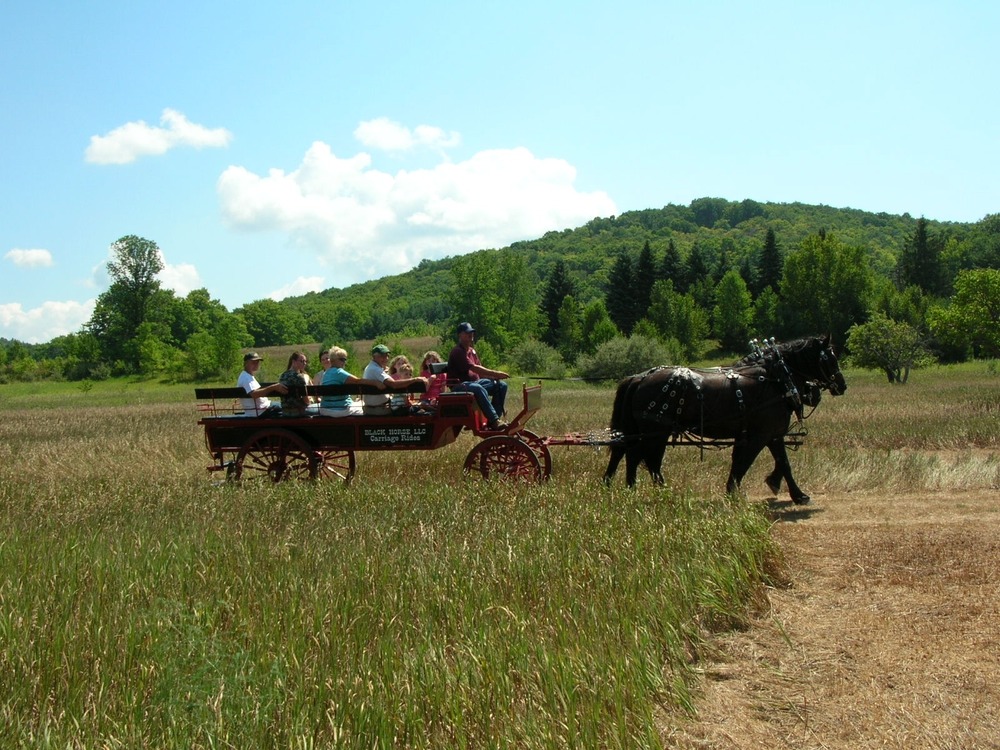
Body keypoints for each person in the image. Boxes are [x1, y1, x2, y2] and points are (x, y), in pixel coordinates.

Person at [446, 322, 509, 430]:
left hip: (474, 384)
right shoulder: (457, 351)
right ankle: (494, 420)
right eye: (467, 333)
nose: (471, 335)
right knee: (478, 388)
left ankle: (493, 421)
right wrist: (496, 373)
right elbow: (474, 368)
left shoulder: (471, 351)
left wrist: (494, 378)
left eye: (472, 332)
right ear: (460, 335)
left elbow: (480, 369)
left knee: (501, 385)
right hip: (459, 386)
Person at [362, 344, 427, 415]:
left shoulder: (371, 367)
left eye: (387, 356)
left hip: (378, 406)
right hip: (378, 408)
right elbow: (394, 385)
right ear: (374, 357)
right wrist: (415, 379)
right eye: (382, 356)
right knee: (420, 409)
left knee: (418, 407)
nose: (386, 358)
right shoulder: (375, 369)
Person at [318, 346, 381, 417]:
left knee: (359, 403)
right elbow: (357, 381)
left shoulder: (326, 373)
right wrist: (376, 383)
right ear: (334, 360)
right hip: (340, 410)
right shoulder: (339, 372)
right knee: (366, 406)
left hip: (325, 409)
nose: (345, 362)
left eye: (345, 359)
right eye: (342, 359)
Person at [236, 352, 287, 416]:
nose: (256, 364)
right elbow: (254, 394)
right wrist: (273, 387)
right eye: (253, 362)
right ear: (246, 363)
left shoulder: (247, 376)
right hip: (261, 411)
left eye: (257, 362)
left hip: (261, 409)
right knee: (289, 407)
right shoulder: (246, 378)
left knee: (286, 406)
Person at [278, 351, 317, 417]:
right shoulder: (299, 377)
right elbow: (306, 400)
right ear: (293, 361)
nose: (304, 363)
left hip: (285, 411)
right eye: (302, 361)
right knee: (320, 407)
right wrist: (311, 402)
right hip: (299, 412)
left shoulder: (282, 376)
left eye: (305, 361)